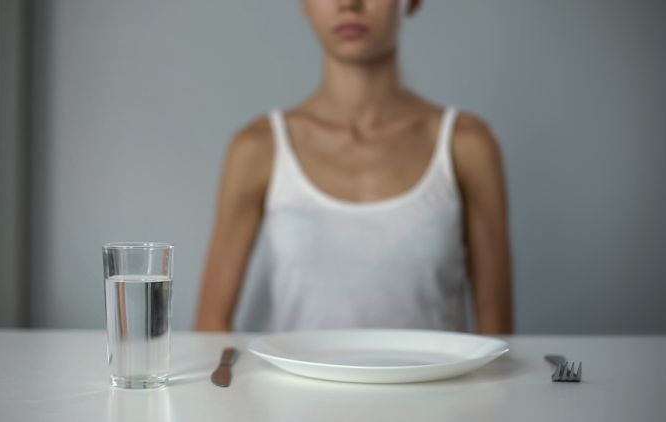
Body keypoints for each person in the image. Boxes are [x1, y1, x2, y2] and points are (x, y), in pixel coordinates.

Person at [194, 0, 513, 334]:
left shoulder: (467, 145)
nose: (349, 4)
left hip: (436, 373)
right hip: (291, 372)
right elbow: (210, 325)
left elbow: (497, 335)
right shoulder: (258, 147)